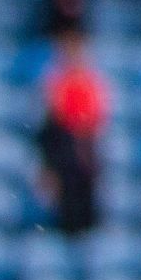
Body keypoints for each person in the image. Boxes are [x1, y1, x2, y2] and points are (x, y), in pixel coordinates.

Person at [36, 34, 108, 234]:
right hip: (66, 157)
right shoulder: (58, 85)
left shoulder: (88, 84)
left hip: (80, 160)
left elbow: (93, 119)